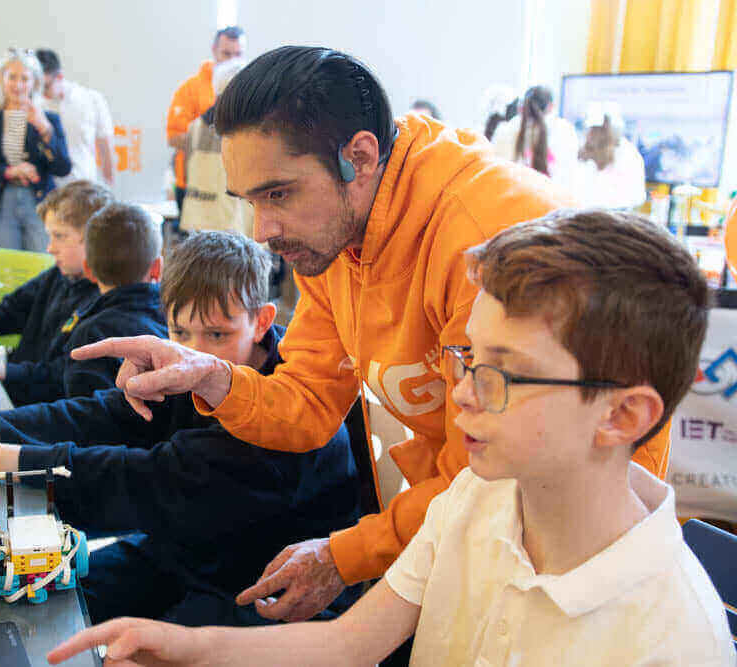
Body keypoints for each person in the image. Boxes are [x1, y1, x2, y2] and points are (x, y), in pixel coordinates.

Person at [72, 46, 672, 626]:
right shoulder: (336, 232)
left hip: (567, 553)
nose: (262, 231)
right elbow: (309, 401)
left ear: (358, 157)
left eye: (278, 194)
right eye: (251, 201)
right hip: (468, 526)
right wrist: (215, 376)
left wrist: (347, 555)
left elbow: (486, 480)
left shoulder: (485, 240)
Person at [50, 210, 735, 667]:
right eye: (466, 358)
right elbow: (349, 642)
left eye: (501, 373)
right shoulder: (476, 493)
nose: (461, 392)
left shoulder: (671, 642)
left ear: (622, 416)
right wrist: (182, 645)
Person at [0, 230, 362, 628]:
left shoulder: (290, 408)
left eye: (217, 335)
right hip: (190, 549)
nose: (194, 352)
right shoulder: (188, 367)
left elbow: (151, 479)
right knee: (46, 601)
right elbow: (102, 415)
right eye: (181, 332)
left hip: (259, 590)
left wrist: (16, 461)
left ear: (261, 322)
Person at [0, 202, 166, 403]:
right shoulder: (172, 318)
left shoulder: (91, 331)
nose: (50, 247)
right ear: (158, 268)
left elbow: (80, 414)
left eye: (59, 236)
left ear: (89, 271)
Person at [0, 180, 112, 407]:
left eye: (60, 236)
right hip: (19, 393)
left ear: (94, 239)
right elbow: (10, 309)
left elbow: (63, 376)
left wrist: (7, 369)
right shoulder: (58, 275)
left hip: (41, 408)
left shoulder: (104, 302)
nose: (50, 248)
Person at [0, 48, 71, 251]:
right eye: (12, 77)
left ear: (35, 82)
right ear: (1, 79)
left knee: (44, 265)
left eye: (24, 79)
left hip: (38, 202)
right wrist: (9, 171)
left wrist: (44, 128)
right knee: (9, 272)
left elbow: (63, 167)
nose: (18, 85)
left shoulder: (49, 119)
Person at [167, 25, 246, 212]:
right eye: (226, 54)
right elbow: (174, 137)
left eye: (238, 55)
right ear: (214, 51)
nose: (232, 61)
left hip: (236, 187)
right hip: (195, 186)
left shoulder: (250, 92)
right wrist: (206, 131)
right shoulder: (190, 89)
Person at [178, 58, 252, 237]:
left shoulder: (195, 126)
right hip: (232, 227)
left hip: (198, 224)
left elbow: (185, 173)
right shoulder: (244, 130)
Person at [35, 48, 115, 187]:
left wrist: (109, 183)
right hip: (47, 191)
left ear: (59, 77)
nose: (41, 92)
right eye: (36, 86)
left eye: (45, 86)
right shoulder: (34, 106)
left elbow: (105, 145)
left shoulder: (91, 99)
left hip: (84, 185)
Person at [491, 85, 579, 190]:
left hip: (512, 198)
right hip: (552, 201)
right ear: (551, 106)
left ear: (522, 107)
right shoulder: (565, 131)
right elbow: (569, 178)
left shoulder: (507, 129)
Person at [570, 102, 646, 209]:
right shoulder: (584, 155)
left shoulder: (626, 155)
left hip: (607, 216)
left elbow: (636, 196)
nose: (593, 134)